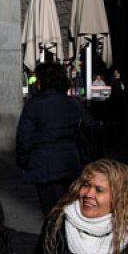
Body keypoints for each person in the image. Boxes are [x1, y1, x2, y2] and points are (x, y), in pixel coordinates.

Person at [17, 61, 92, 214]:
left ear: (41, 81)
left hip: (45, 165)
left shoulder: (34, 105)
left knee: (52, 213)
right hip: (71, 163)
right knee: (71, 212)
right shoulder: (73, 103)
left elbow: (24, 138)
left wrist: (24, 162)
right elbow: (89, 128)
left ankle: (54, 237)